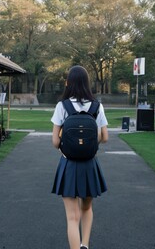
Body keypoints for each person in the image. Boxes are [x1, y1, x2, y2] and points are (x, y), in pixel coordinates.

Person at [51, 65, 108, 249]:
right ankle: (85, 245)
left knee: (72, 217)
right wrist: (90, 142)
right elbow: (105, 137)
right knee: (87, 208)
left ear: (69, 83)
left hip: (69, 164)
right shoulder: (97, 106)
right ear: (86, 83)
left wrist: (65, 146)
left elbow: (54, 141)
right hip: (90, 165)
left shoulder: (62, 106)